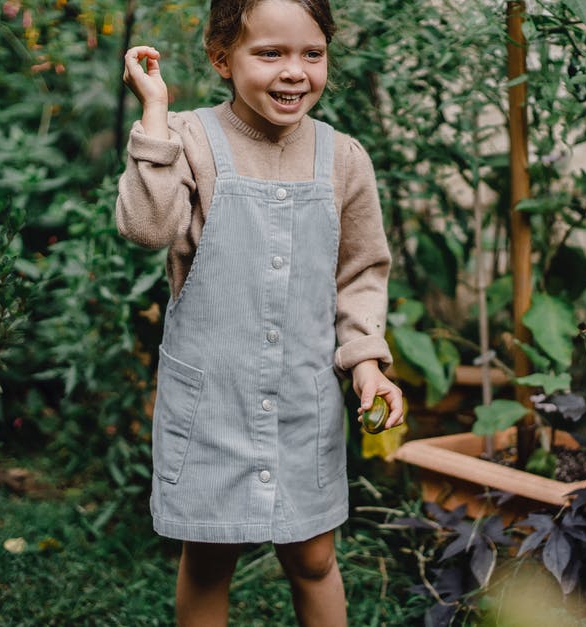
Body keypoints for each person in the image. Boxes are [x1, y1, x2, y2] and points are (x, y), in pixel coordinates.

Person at [115, 1, 404, 624]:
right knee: (209, 557)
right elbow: (146, 225)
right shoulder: (189, 139)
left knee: (314, 559)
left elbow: (360, 275)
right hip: (212, 402)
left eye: (312, 54)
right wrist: (156, 114)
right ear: (222, 58)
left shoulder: (343, 158)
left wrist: (367, 365)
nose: (294, 71)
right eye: (269, 53)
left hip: (304, 400)